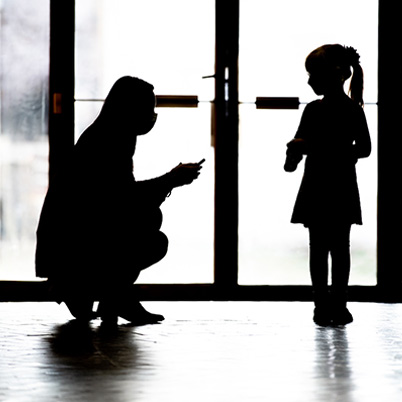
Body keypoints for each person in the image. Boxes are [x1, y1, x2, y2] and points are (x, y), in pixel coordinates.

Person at [36, 76, 204, 325]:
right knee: (154, 239)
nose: (151, 115)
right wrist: (171, 179)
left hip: (72, 241)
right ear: (129, 108)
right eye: (147, 109)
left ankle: (96, 292)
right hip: (75, 244)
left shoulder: (109, 135)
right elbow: (121, 200)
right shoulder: (107, 142)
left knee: (149, 218)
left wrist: (169, 181)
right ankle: (98, 291)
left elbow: (120, 199)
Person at [284, 44, 371, 326]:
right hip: (338, 183)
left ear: (332, 75)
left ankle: (325, 304)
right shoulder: (346, 110)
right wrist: (296, 153)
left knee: (320, 248)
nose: (309, 81)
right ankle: (333, 304)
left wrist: (307, 150)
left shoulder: (331, 110)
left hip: (323, 184)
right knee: (336, 248)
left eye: (313, 75)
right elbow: (362, 150)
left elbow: (364, 149)